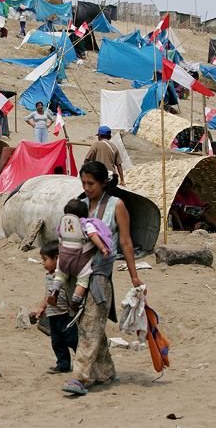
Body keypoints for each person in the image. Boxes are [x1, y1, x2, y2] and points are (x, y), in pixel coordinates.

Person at [62, 161, 145, 396]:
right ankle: (106, 372)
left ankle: (80, 377)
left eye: (91, 184)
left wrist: (134, 275)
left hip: (99, 276)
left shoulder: (117, 206)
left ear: (103, 183)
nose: (87, 188)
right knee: (89, 325)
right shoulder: (80, 205)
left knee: (89, 326)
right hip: (77, 276)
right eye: (84, 183)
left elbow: (126, 242)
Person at [48, 199, 113, 313]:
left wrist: (61, 255)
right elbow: (93, 235)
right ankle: (75, 303)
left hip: (64, 259)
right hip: (80, 262)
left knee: (61, 274)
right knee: (83, 280)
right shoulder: (86, 223)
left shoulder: (62, 226)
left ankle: (54, 291)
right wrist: (102, 247)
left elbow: (60, 242)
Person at [36, 240, 78, 374]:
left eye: (45, 259)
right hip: (53, 315)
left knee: (72, 339)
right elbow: (47, 295)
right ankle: (63, 364)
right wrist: (42, 308)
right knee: (57, 341)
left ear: (57, 259)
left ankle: (82, 361)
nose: (43, 263)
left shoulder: (63, 276)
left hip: (65, 314)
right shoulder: (48, 276)